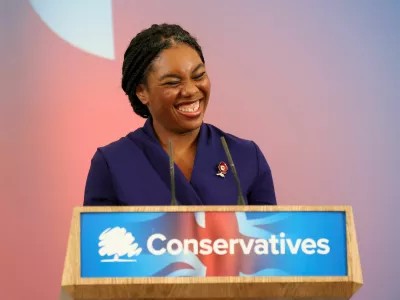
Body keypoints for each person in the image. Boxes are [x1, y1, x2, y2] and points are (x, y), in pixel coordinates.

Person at [83, 24, 276, 206]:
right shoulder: (112, 162)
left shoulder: (246, 156)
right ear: (142, 92)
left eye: (199, 76)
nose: (191, 90)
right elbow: (98, 239)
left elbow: (271, 237)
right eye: (173, 82)